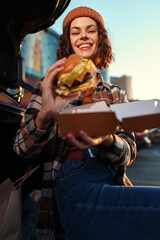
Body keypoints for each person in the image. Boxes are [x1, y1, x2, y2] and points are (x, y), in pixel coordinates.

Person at [13, 6, 160, 240]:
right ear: (69, 42)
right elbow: (21, 148)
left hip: (111, 181)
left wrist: (106, 140)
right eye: (75, 32)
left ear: (99, 39)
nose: (83, 35)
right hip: (71, 179)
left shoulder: (115, 93)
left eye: (90, 30)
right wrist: (46, 115)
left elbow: (129, 153)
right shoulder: (49, 85)